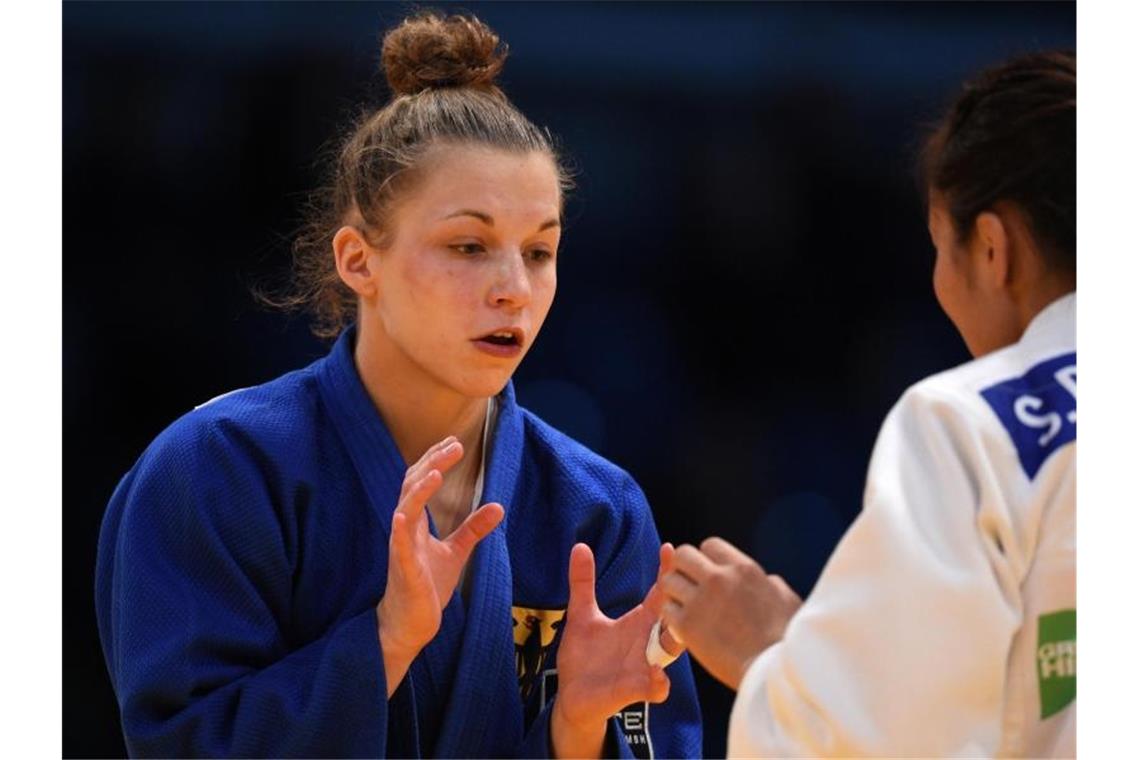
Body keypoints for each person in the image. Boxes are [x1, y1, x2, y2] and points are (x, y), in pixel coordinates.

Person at [94, 12, 701, 758]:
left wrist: (575, 729)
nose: (514, 287)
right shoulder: (217, 471)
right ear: (359, 261)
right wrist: (384, 641)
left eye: (540, 250)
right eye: (468, 245)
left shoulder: (596, 513)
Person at [659, 50, 1076, 757]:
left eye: (941, 247)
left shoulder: (972, 425)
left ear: (992, 248)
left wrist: (770, 660)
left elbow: (895, 743)